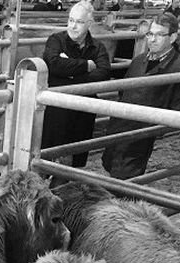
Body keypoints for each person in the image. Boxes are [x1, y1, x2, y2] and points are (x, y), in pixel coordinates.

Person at [102, 12, 180, 179]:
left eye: (159, 35)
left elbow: (179, 107)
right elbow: (124, 91)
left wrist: (155, 130)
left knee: (125, 176)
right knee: (109, 164)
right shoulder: (139, 60)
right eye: (150, 34)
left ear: (172, 37)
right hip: (119, 126)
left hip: (143, 132)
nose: (152, 39)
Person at [41, 0, 111, 170]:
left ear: (89, 24)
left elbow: (103, 72)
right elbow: (53, 63)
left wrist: (70, 73)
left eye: (79, 22)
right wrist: (85, 65)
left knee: (76, 160)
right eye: (71, 20)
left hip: (82, 111)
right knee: (48, 155)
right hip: (57, 108)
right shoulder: (56, 40)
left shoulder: (97, 47)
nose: (73, 26)